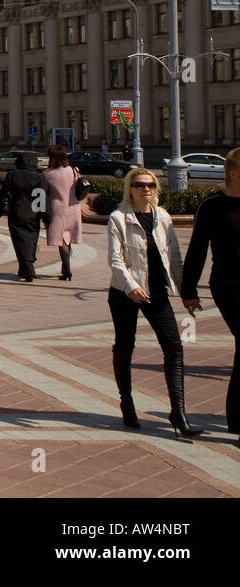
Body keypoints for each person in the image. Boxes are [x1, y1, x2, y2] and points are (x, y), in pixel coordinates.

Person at [108, 167, 200, 437]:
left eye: (150, 185)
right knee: (125, 345)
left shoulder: (163, 217)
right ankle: (127, 402)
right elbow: (115, 260)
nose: (145, 189)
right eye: (139, 184)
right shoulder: (118, 218)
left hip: (157, 292)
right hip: (125, 292)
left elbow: (175, 257)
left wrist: (186, 292)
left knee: (174, 346)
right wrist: (132, 287)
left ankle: (178, 412)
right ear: (130, 188)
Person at [182, 148, 240, 443]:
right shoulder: (212, 207)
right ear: (234, 173)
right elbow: (197, 249)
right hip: (228, 286)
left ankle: (236, 420)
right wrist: (189, 289)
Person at [0, 154, 48, 281]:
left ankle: (27, 266)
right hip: (34, 213)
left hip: (16, 212)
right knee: (32, 240)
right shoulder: (39, 177)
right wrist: (46, 217)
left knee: (18, 241)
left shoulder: (11, 175)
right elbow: (42, 198)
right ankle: (25, 266)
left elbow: (3, 195)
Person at [43, 144, 82, 281]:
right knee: (68, 238)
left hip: (57, 209)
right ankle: (65, 268)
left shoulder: (47, 174)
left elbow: (44, 193)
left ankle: (67, 270)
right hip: (74, 208)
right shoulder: (74, 170)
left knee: (61, 240)